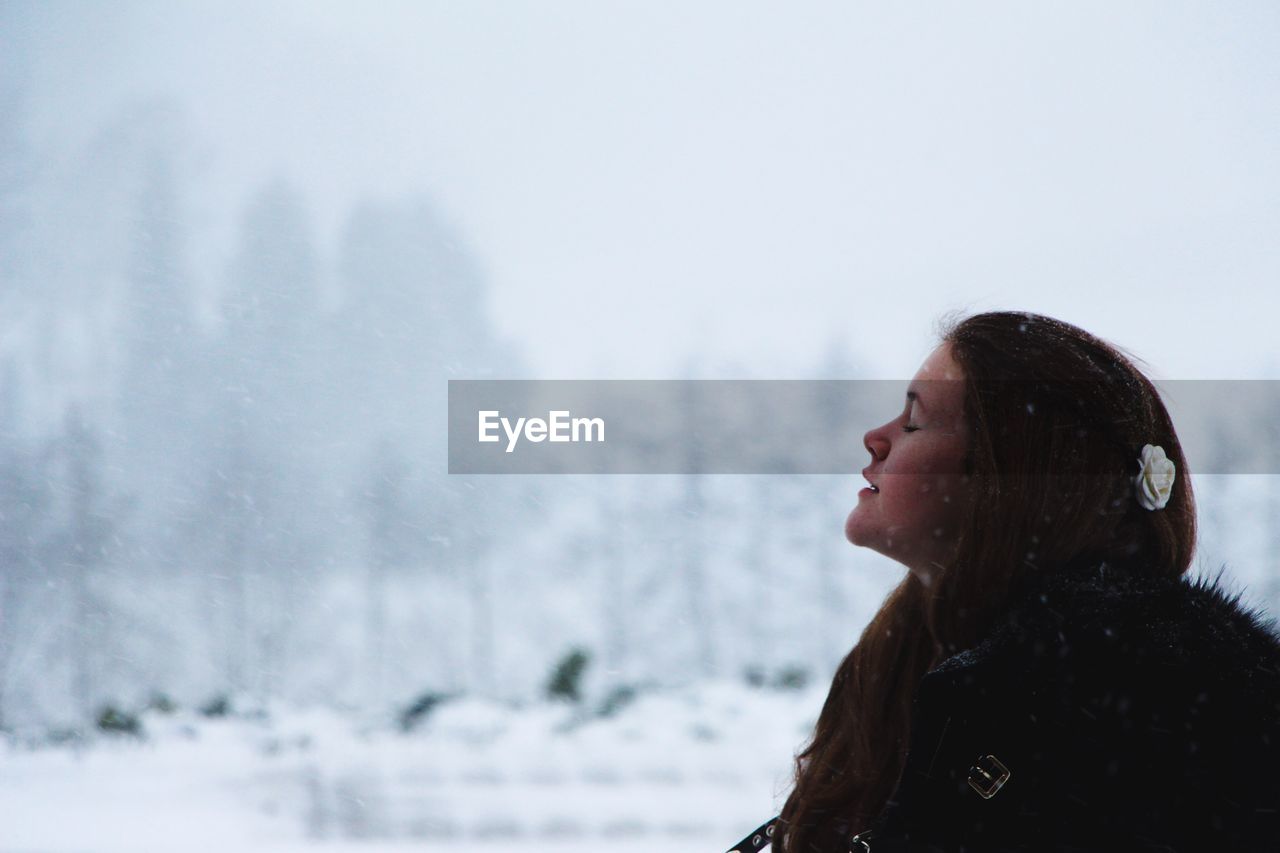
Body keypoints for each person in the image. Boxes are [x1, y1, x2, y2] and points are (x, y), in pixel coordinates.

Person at [725, 310, 1280, 853]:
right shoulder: (917, 663)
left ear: (1009, 475)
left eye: (913, 420)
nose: (875, 437)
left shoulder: (1137, 699)